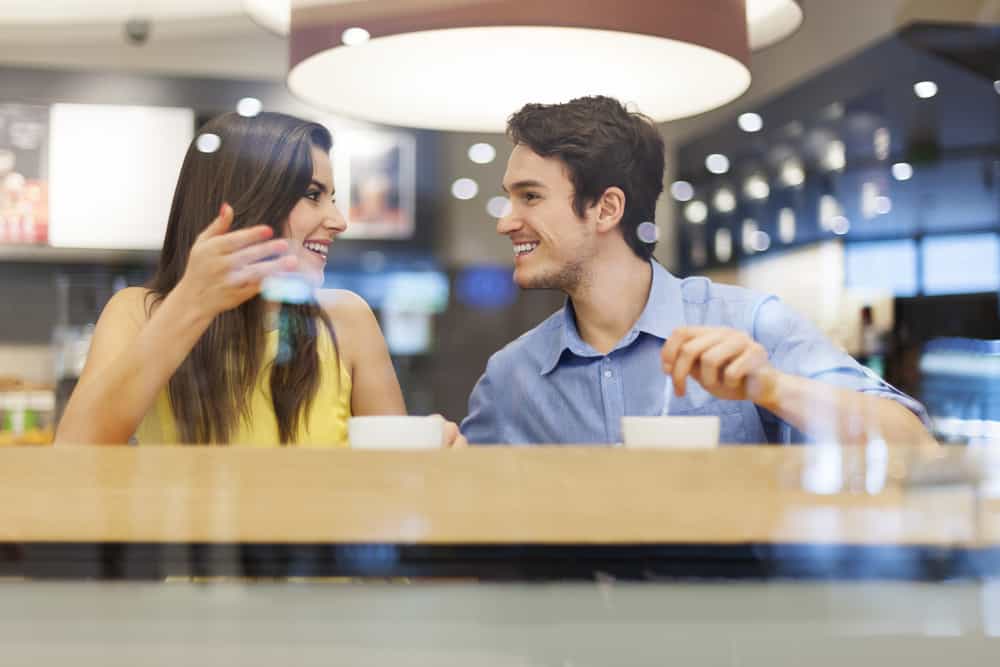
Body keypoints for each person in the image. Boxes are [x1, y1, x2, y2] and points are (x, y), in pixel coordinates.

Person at [461, 96, 934, 446]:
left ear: (606, 209)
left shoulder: (751, 325)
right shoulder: (509, 378)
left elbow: (912, 442)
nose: (505, 221)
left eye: (530, 196)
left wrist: (770, 388)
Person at [56, 111, 464, 448]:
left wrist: (435, 452)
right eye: (312, 194)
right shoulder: (140, 312)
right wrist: (190, 303)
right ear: (248, 200)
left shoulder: (347, 319)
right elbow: (75, 452)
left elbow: (393, 476)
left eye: (333, 198)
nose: (339, 221)